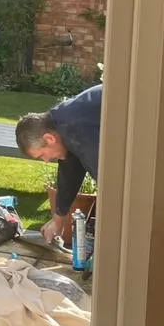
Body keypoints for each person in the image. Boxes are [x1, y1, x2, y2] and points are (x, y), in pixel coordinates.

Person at [15, 83, 102, 246]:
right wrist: (57, 220)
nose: (46, 160)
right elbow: (70, 171)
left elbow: (109, 179)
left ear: (49, 139)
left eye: (42, 155)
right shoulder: (63, 123)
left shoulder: (77, 127)